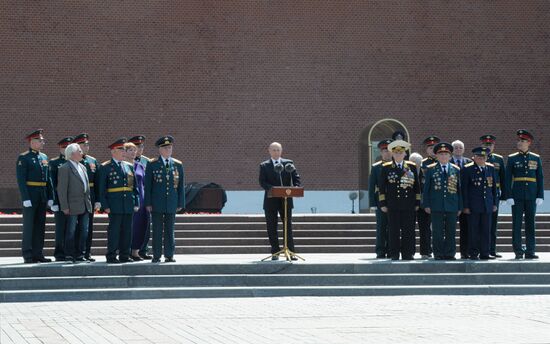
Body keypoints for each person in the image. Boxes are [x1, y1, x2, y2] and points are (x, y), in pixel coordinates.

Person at [144, 135, 185, 263]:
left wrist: (180, 202)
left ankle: (169, 255)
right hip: (156, 203)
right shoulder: (153, 164)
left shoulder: (177, 165)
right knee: (157, 230)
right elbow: (148, 185)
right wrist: (148, 202)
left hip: (171, 202)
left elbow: (180, 186)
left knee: (169, 230)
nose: (169, 150)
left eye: (170, 147)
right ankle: (156, 255)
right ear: (160, 150)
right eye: (166, 148)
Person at [98, 138, 140, 264]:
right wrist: (105, 205)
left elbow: (134, 187)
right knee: (114, 231)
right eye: (120, 149)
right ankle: (111, 255)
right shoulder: (106, 167)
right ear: (113, 151)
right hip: (114, 204)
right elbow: (102, 189)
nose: (123, 152)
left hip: (128, 204)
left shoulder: (128, 166)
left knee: (127, 231)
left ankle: (124, 255)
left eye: (123, 149)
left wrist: (136, 202)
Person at [16, 129, 54, 263]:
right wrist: (25, 198)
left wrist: (51, 197)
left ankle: (38, 253)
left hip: (42, 196)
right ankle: (28, 254)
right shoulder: (24, 157)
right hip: (31, 196)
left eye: (42, 140)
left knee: (40, 226)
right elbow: (21, 180)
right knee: (29, 226)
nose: (43, 142)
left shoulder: (44, 157)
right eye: (40, 140)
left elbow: (48, 180)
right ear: (32, 142)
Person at [259, 142, 301, 261]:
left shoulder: (289, 163)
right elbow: (262, 182)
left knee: (287, 225)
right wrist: (272, 189)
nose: (276, 152)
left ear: (281, 151)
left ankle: (291, 251)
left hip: (286, 199)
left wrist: (297, 187)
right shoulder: (264, 165)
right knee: (272, 226)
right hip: (271, 200)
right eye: (274, 150)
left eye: (278, 150)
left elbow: (296, 177)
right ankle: (275, 252)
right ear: (269, 151)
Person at [378, 140, 420, 260]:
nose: (398, 155)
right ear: (392, 154)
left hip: (408, 204)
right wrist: (383, 203)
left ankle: (408, 253)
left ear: (405, 154)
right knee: (393, 231)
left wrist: (417, 202)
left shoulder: (411, 166)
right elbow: (381, 187)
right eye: (396, 153)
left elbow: (417, 186)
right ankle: (394, 253)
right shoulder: (386, 167)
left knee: (408, 230)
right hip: (393, 204)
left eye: (400, 152)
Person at [505, 129, 544, 259]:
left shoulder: (535, 158)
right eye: (519, 140)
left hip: (532, 196)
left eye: (523, 141)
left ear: (529, 142)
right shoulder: (512, 158)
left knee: (530, 224)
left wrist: (540, 195)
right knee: (516, 224)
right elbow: (507, 178)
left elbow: (540, 178)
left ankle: (530, 251)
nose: (519, 142)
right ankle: (518, 251)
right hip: (517, 196)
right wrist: (508, 195)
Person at [423, 142, 462, 260]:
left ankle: (450, 253)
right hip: (436, 205)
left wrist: (460, 206)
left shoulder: (456, 169)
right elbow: (426, 189)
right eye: (441, 154)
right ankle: (438, 253)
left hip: (452, 204)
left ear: (450, 156)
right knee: (437, 231)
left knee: (451, 231)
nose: (443, 156)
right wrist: (426, 204)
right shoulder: (430, 169)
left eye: (446, 154)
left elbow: (459, 189)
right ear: (437, 156)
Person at [56, 143, 93, 263]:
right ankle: (69, 255)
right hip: (72, 205)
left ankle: (80, 255)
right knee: (71, 231)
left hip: (85, 205)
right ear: (72, 154)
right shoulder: (65, 168)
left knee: (84, 231)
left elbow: (86, 187)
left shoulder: (82, 167)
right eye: (79, 151)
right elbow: (62, 189)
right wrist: (65, 206)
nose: (82, 153)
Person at [462, 147, 498, 260]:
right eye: (478, 157)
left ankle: (485, 253)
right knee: (474, 230)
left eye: (483, 157)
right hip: (473, 206)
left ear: (486, 158)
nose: (481, 159)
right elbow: (464, 189)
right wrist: (466, 206)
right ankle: (473, 253)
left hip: (487, 205)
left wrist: (495, 203)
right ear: (474, 158)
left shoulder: (490, 168)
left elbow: (494, 188)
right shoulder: (467, 169)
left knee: (486, 230)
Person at [72, 133, 101, 262]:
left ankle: (87, 252)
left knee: (88, 227)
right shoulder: (73, 161)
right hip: (77, 198)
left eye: (88, 144)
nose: (87, 146)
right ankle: (76, 252)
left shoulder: (92, 161)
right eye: (84, 144)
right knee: (76, 227)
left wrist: (98, 200)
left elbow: (98, 182)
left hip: (91, 197)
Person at [480, 134, 507, 258]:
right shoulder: (478, 158)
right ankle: (482, 249)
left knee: (493, 225)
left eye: (490, 145)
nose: (488, 147)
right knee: (481, 224)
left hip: (494, 195)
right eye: (486, 144)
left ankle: (492, 250)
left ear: (494, 146)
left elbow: (503, 178)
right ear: (482, 145)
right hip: (480, 195)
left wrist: (504, 196)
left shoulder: (498, 159)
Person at [49, 136, 74, 261]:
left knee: (71, 228)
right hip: (59, 202)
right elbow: (52, 183)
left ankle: (69, 252)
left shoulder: (75, 163)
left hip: (73, 201)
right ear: (60, 149)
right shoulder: (54, 163)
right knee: (60, 228)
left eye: (69, 147)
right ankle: (59, 253)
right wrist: (54, 201)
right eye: (64, 147)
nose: (66, 150)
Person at [129, 135, 153, 260]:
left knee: (146, 224)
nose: (140, 148)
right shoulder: (127, 161)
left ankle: (144, 249)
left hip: (144, 197)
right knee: (134, 224)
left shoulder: (147, 161)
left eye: (141, 146)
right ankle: (131, 250)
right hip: (132, 197)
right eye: (137, 146)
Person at [368, 139, 393, 258]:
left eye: (389, 151)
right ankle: (380, 251)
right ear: (381, 153)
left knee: (393, 227)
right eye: (384, 151)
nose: (387, 153)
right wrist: (372, 203)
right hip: (380, 202)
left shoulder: (397, 165)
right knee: (381, 227)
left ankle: (391, 249)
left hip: (395, 200)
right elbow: (371, 186)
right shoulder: (376, 167)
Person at [124, 142, 148, 261]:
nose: (134, 152)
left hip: (142, 199)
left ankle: (135, 252)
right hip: (128, 198)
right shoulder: (123, 165)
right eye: (130, 150)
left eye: (135, 150)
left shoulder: (140, 166)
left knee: (140, 225)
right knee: (129, 226)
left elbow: (145, 183)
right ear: (125, 152)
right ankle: (125, 250)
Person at [418, 136, 440, 258]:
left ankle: (439, 250)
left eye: (434, 147)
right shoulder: (423, 164)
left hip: (439, 200)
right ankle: (425, 251)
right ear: (427, 150)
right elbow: (419, 184)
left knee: (439, 228)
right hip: (425, 201)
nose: (432, 150)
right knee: (425, 228)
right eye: (430, 148)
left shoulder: (443, 162)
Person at [450, 140, 472, 259]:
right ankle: (449, 252)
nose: (458, 149)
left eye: (460, 148)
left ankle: (465, 252)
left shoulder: (469, 162)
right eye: (456, 147)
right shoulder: (447, 162)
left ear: (463, 150)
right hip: (451, 199)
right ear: (452, 150)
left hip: (465, 200)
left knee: (466, 228)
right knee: (449, 228)